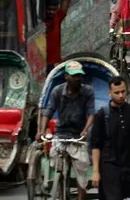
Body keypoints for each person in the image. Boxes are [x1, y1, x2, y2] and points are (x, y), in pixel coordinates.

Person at [89, 77, 130, 200]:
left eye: (123, 91)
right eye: (116, 92)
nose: (120, 95)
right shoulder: (102, 115)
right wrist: (96, 171)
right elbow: (95, 145)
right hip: (110, 167)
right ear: (109, 93)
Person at [40, 60, 95, 199]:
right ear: (66, 77)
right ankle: (59, 187)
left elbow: (91, 113)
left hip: (79, 135)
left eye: (79, 75)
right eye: (74, 75)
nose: (78, 78)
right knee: (54, 160)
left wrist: (86, 129)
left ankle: (81, 197)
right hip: (61, 134)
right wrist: (41, 130)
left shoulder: (87, 91)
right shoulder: (57, 91)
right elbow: (48, 112)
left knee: (82, 170)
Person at [43, 0, 72, 69]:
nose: (51, 12)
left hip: (55, 63)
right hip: (43, 64)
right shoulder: (41, 21)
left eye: (53, 9)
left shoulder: (57, 18)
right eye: (49, 9)